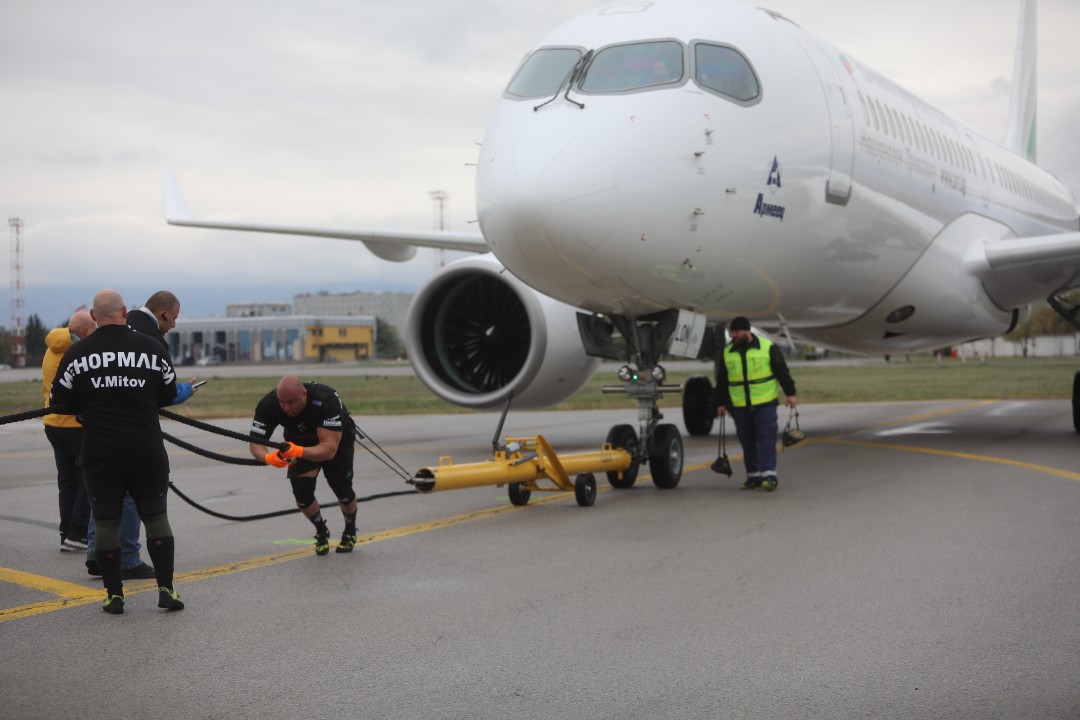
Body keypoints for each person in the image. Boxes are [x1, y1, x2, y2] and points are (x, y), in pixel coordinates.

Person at [50, 289, 185, 614]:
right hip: (146, 449)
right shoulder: (153, 348)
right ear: (125, 311)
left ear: (94, 317)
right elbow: (167, 394)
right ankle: (166, 590)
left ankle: (115, 596)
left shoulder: (78, 353)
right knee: (156, 519)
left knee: (107, 523)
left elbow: (60, 402)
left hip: (100, 451)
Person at [248, 376, 359, 556]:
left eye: (291, 402)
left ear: (304, 394)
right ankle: (321, 530)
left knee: (342, 488)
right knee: (302, 495)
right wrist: (269, 458)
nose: (286, 407)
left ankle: (350, 530)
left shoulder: (326, 400)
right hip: (298, 441)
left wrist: (298, 452)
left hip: (336, 441)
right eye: (282, 402)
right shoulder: (269, 404)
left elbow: (329, 450)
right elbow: (255, 444)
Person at [714, 316, 797, 492]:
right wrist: (720, 403)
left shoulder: (767, 348)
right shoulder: (728, 352)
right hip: (740, 406)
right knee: (747, 441)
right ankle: (753, 476)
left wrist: (790, 393)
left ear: (747, 331)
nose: (734, 335)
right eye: (732, 332)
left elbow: (782, 371)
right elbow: (722, 380)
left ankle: (769, 476)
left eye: (737, 331)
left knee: (766, 438)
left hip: (765, 403)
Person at [42, 310, 95, 553]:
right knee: (87, 480)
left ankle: (67, 532)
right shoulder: (76, 351)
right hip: (74, 425)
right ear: (85, 331)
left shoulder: (53, 346)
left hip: (52, 423)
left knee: (67, 482)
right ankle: (77, 533)